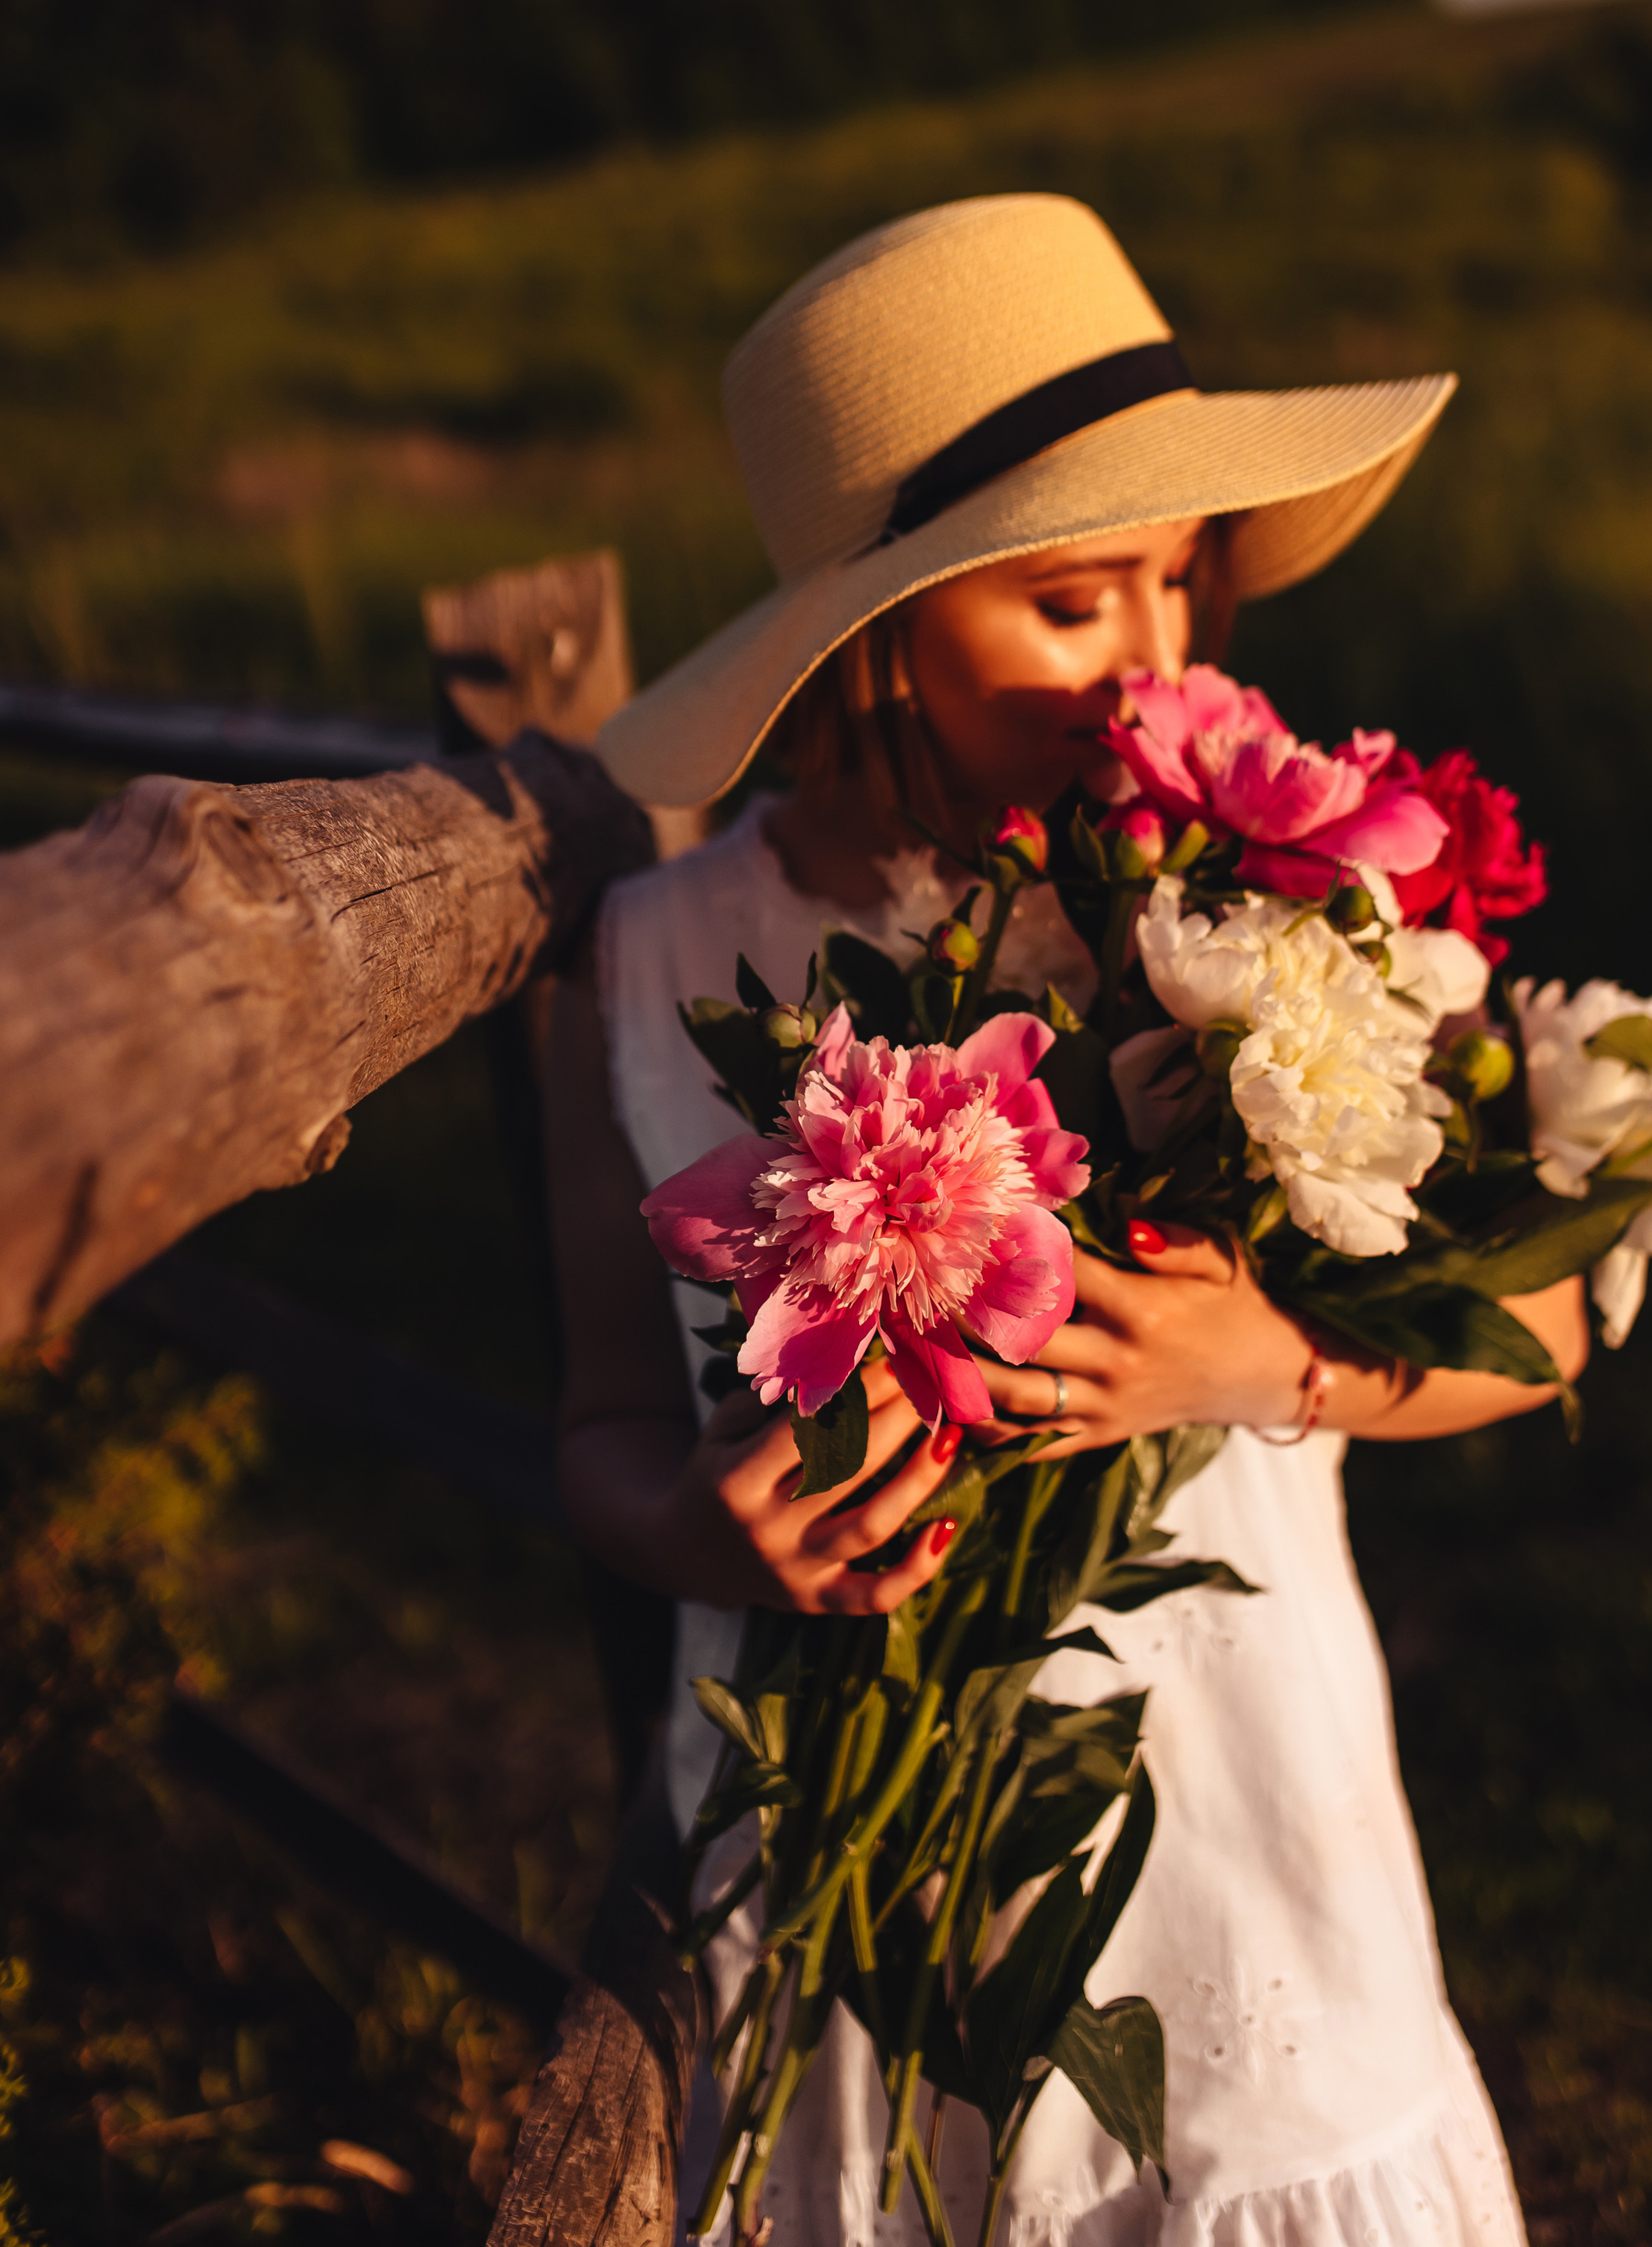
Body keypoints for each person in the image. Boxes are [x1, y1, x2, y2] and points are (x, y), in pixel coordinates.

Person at [548, 195, 1583, 2247]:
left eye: (1176, 584)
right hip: (859, 1933)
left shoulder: (1250, 912)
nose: (1161, 666)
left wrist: (1266, 1363)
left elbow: (1546, 1329)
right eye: (1074, 602)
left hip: (1236, 1880)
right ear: (879, 631)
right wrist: (698, 1530)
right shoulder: (654, 961)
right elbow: (596, 1425)